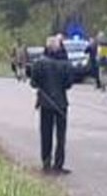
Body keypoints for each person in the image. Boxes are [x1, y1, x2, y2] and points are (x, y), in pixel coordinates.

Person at [30, 36, 74, 174]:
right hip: (61, 103)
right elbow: (68, 84)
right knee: (61, 136)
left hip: (45, 103)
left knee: (46, 133)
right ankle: (58, 165)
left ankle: (46, 163)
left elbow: (33, 83)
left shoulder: (39, 63)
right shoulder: (66, 64)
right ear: (59, 48)